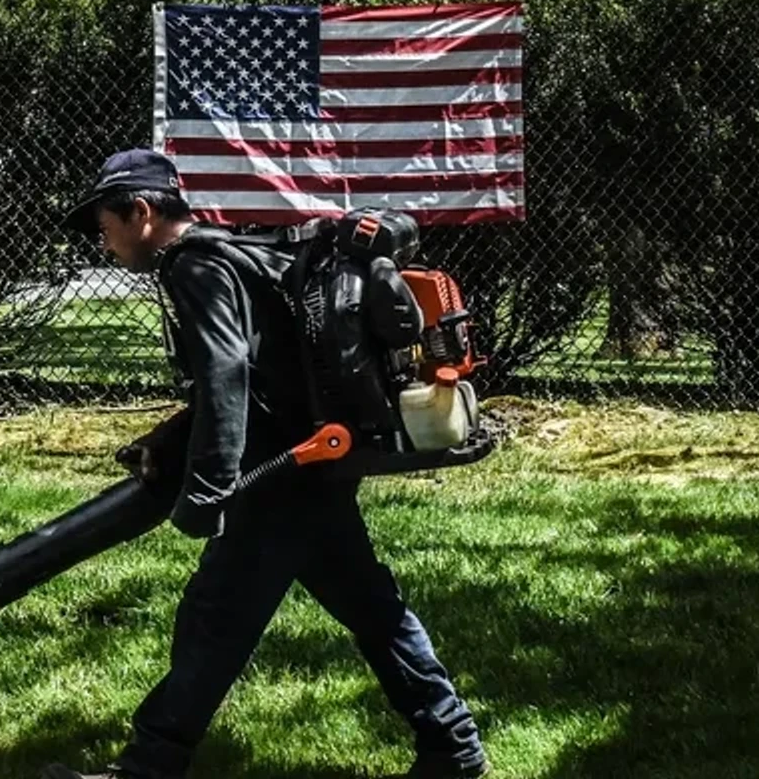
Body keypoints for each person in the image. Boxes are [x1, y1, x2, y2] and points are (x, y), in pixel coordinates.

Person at [45, 148, 488, 779]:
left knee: (215, 620)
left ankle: (149, 767)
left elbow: (227, 373)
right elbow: (256, 372)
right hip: (312, 460)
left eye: (105, 225)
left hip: (278, 474)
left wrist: (208, 487)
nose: (103, 241)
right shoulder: (233, 253)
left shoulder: (193, 266)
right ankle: (453, 746)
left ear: (140, 212)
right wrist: (169, 442)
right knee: (369, 605)